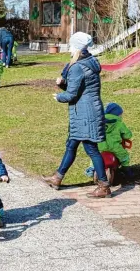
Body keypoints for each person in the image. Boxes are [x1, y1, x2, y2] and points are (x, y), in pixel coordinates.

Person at [43, 31, 112, 198]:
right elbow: (80, 88)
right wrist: (63, 84)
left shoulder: (77, 67)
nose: (69, 49)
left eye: (71, 45)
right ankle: (57, 178)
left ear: (77, 47)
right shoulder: (90, 61)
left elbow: (72, 94)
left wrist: (59, 96)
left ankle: (104, 186)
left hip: (85, 114)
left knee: (91, 149)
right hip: (87, 110)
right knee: (71, 145)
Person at [86, 102, 133, 179]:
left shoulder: (99, 122)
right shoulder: (119, 123)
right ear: (117, 114)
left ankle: (92, 168)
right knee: (124, 156)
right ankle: (126, 170)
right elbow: (128, 134)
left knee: (95, 156)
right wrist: (125, 136)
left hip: (100, 145)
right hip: (115, 146)